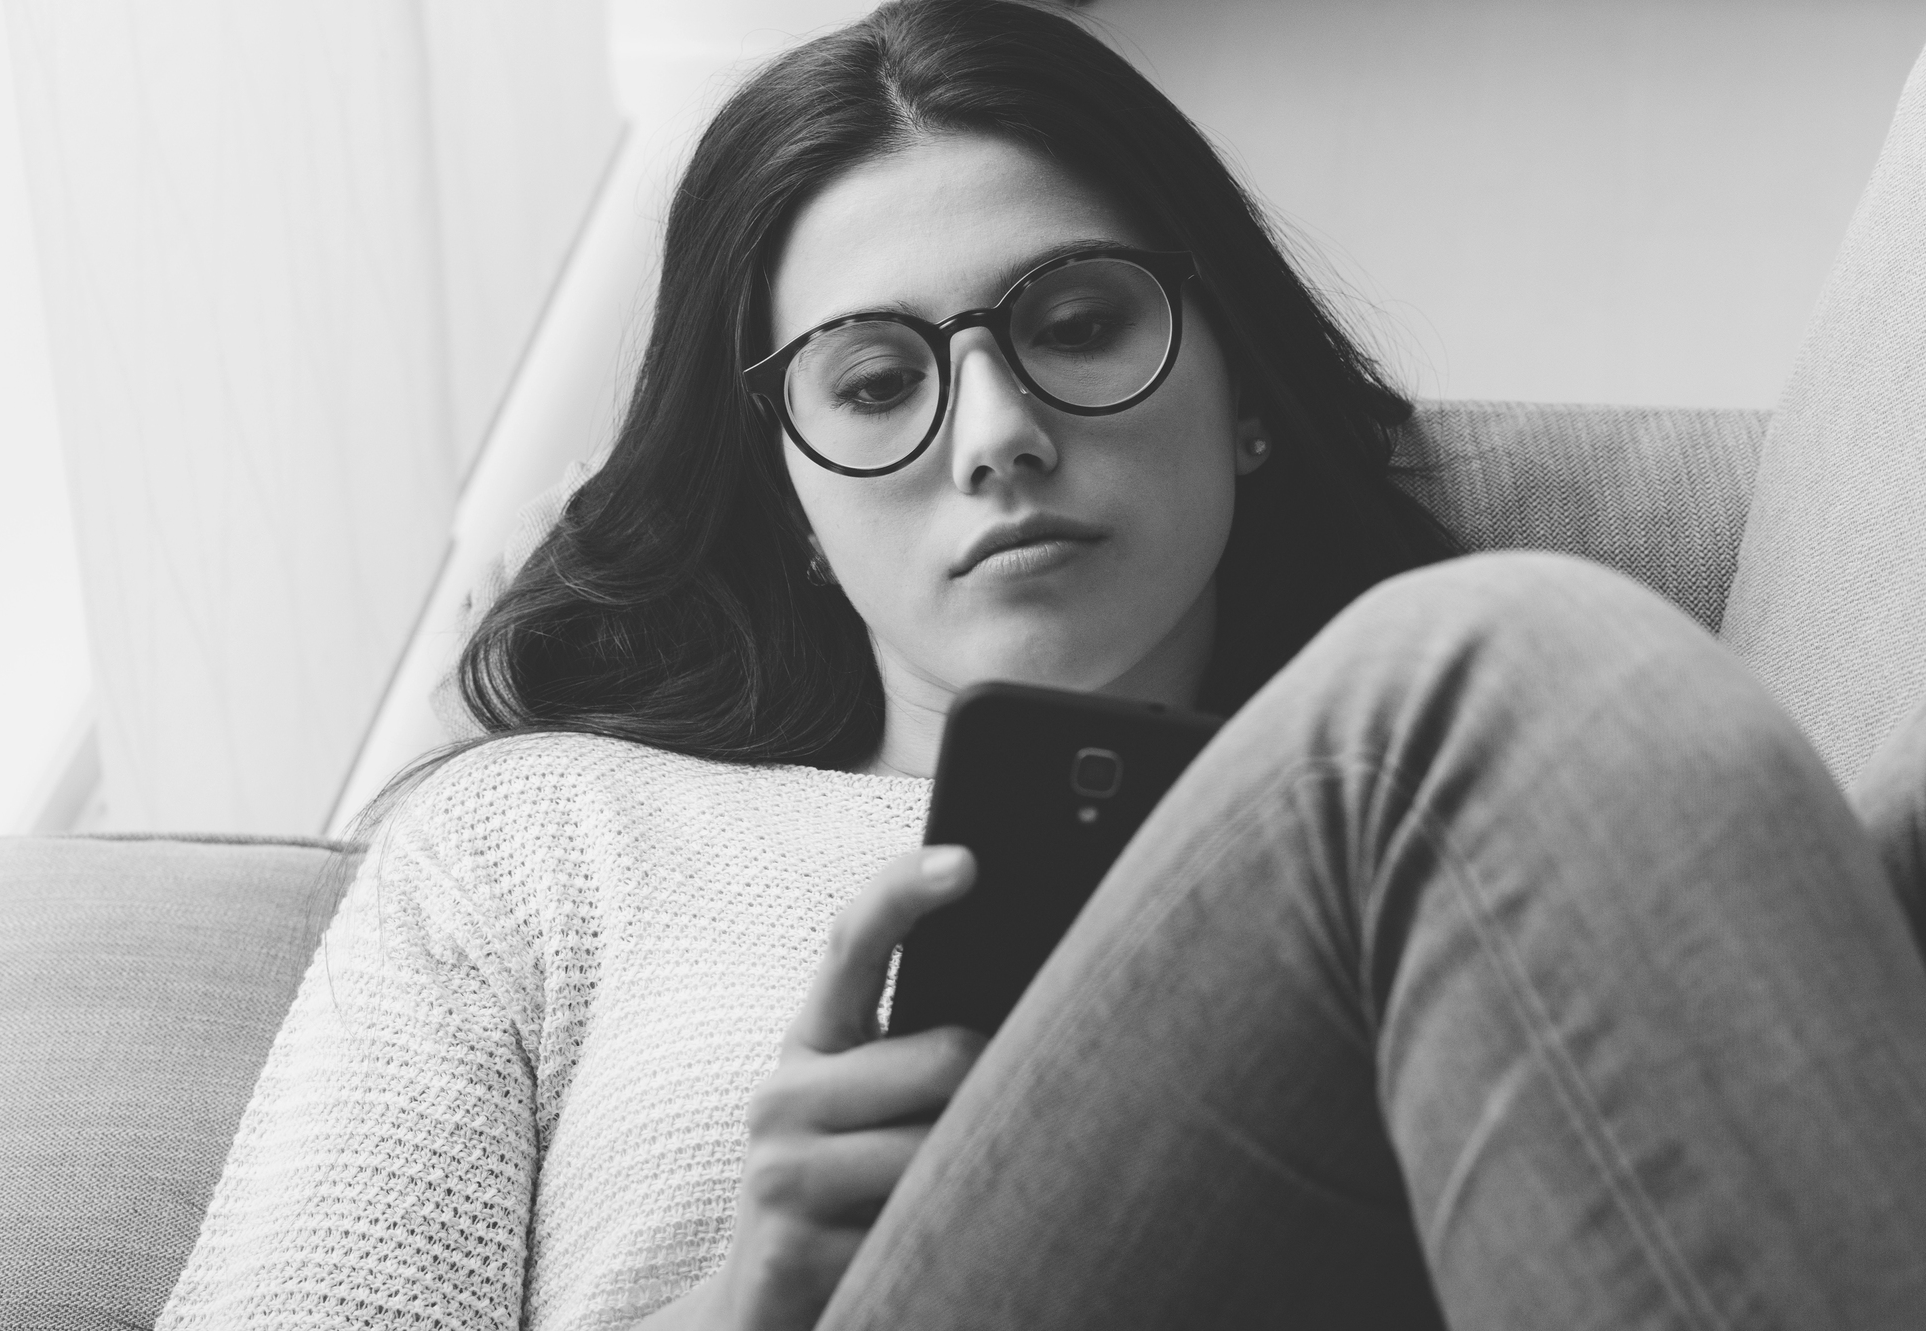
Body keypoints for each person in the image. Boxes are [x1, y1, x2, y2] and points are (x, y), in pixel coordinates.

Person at [156, 2, 1926, 1328]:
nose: (993, 433)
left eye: (1076, 324)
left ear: (1236, 391)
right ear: (785, 498)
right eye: (873, 381)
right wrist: (753, 1289)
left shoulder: (1524, 835)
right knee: (1493, 666)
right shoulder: (543, 845)